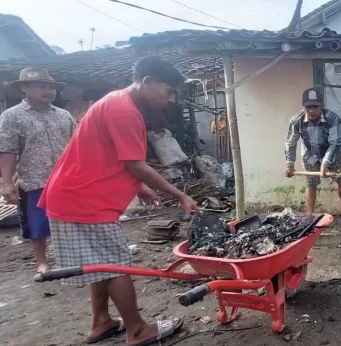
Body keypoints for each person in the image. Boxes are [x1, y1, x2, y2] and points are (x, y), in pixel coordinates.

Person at [38, 56, 200, 345]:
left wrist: (138, 188)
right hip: (84, 199)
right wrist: (180, 195)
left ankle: (101, 321)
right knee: (116, 265)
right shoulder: (124, 111)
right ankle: (136, 330)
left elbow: (108, 154)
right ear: (147, 82)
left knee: (100, 263)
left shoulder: (114, 101)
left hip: (75, 194)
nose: (172, 98)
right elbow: (136, 164)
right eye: (169, 90)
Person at [0, 67, 75, 281]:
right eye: (42, 86)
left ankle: (69, 258)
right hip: (34, 180)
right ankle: (42, 261)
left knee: (70, 220)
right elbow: (8, 150)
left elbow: (75, 146)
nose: (48, 91)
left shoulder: (64, 115)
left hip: (65, 179)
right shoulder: (12, 117)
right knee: (37, 224)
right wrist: (7, 183)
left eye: (51, 87)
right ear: (24, 88)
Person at [285, 87, 341, 216]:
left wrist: (325, 163)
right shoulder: (296, 120)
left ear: (321, 105)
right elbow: (290, 142)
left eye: (315, 107)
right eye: (308, 107)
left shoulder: (332, 119)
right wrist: (289, 164)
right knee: (311, 184)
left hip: (332, 153)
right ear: (303, 106)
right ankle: (310, 214)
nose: (311, 110)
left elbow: (334, 143)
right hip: (309, 154)